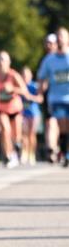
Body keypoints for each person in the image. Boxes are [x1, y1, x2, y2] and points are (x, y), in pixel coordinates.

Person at [0, 51, 39, 168]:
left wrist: (12, 88)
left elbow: (24, 91)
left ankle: (16, 150)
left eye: (4, 60)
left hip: (15, 108)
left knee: (16, 135)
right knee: (5, 130)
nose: (1, 62)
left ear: (8, 62)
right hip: (1, 108)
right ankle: (8, 155)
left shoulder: (14, 75)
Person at [37, 26, 69, 166]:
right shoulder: (49, 60)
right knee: (60, 125)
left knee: (66, 126)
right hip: (56, 98)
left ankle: (64, 151)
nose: (60, 38)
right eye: (58, 36)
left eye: (63, 35)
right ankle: (61, 151)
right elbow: (41, 77)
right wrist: (40, 91)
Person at [36, 32, 58, 160]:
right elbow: (41, 78)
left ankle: (58, 147)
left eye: (52, 43)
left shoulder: (63, 57)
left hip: (63, 96)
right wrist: (40, 91)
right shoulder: (45, 60)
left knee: (60, 124)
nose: (49, 46)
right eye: (47, 43)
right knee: (50, 122)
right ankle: (51, 149)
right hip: (49, 96)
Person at [21, 66, 42, 165]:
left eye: (27, 75)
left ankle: (31, 154)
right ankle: (24, 152)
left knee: (32, 134)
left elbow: (40, 99)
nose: (25, 77)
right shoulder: (20, 86)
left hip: (34, 113)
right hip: (23, 114)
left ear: (30, 76)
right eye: (23, 75)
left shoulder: (34, 86)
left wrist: (30, 97)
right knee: (24, 134)